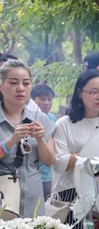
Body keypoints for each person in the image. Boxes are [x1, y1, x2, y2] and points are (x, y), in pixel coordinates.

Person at [51, 70, 99, 229]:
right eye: (94, 92)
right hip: (73, 195)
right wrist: (92, 154)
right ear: (80, 93)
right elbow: (59, 162)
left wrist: (81, 155)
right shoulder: (65, 124)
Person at [0, 60, 56, 218]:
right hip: (3, 199)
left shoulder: (41, 119)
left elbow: (49, 160)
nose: (20, 88)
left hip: (33, 199)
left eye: (26, 83)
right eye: (13, 82)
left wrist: (40, 139)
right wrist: (12, 140)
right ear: (1, 86)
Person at [32, 83, 57, 201]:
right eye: (42, 99)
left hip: (47, 175)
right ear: (32, 100)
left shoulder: (52, 118)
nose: (46, 102)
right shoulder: (28, 118)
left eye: (49, 99)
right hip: (32, 173)